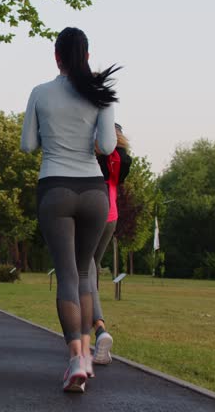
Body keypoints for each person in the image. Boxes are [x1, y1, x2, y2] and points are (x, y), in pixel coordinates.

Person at [21, 27, 119, 393]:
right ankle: (88, 348)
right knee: (83, 271)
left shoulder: (40, 93)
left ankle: (77, 357)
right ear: (88, 56)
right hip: (94, 191)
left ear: (56, 56)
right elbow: (108, 146)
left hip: (55, 187)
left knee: (65, 275)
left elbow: (28, 145)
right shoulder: (101, 95)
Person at [91, 124, 132, 369]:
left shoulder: (95, 154)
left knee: (84, 271)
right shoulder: (120, 157)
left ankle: (98, 329)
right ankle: (93, 332)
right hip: (111, 217)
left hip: (92, 213)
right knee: (91, 268)